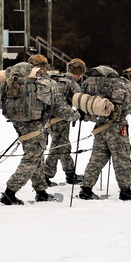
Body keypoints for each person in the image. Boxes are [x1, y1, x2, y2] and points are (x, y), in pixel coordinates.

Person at [0, 58, 79, 205]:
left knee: (36, 156)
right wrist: (76, 115)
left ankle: (41, 191)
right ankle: (10, 192)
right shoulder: (45, 82)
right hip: (35, 125)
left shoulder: (13, 79)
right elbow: (61, 109)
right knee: (32, 158)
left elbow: (1, 103)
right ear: (44, 67)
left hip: (18, 123)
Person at [79, 67, 131, 201]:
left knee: (97, 158)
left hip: (100, 126)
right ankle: (125, 191)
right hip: (117, 128)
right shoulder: (122, 85)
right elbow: (127, 109)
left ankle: (86, 189)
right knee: (122, 159)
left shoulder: (102, 84)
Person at [40, 56, 86, 186]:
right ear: (79, 73)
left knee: (64, 145)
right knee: (57, 147)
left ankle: (70, 172)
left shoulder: (53, 79)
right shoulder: (72, 83)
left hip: (48, 119)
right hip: (61, 120)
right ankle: (46, 175)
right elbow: (79, 101)